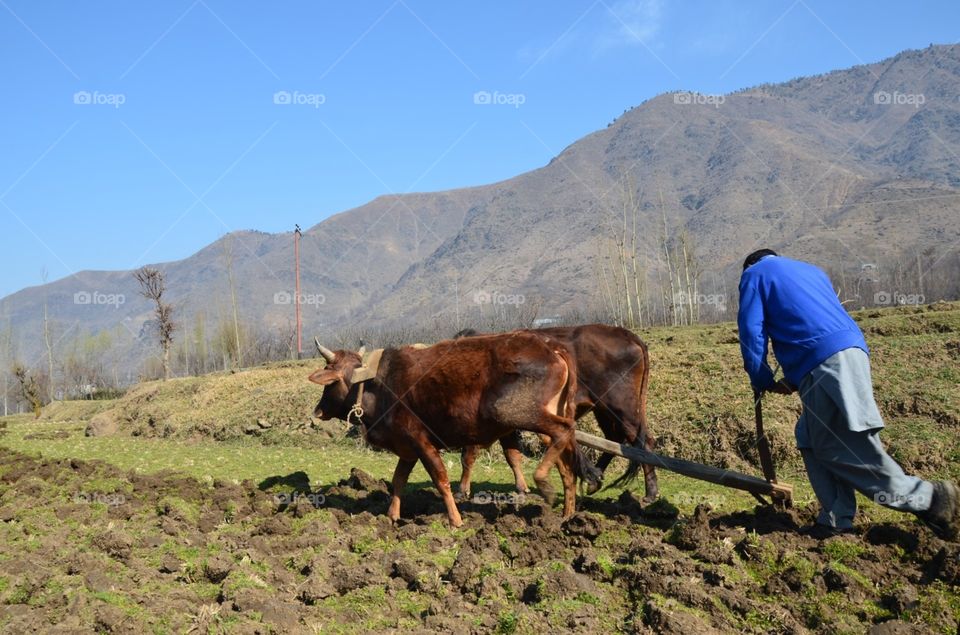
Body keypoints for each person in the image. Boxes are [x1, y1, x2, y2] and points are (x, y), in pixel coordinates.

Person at [737, 249, 959, 539]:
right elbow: (811, 322)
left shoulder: (753, 275)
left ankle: (928, 498)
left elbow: (752, 331)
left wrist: (762, 378)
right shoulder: (811, 270)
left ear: (750, 266)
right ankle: (835, 518)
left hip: (824, 362)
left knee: (844, 445)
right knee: (809, 436)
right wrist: (794, 377)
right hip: (848, 352)